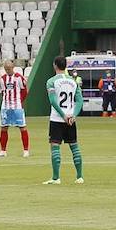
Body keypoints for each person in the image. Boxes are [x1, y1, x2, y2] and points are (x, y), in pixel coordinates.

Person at [43, 56, 84, 185]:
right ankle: (79, 177)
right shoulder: (73, 81)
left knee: (55, 147)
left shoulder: (51, 81)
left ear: (55, 65)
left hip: (57, 118)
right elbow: (79, 100)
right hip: (71, 118)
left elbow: (53, 101)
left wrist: (62, 115)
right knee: (74, 147)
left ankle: (56, 178)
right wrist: (74, 115)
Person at [0, 58, 30, 158]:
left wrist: (19, 101)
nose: (8, 70)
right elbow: (2, 92)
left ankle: (26, 150)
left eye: (9, 68)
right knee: (4, 127)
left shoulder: (19, 78)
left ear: (13, 67)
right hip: (5, 107)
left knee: (22, 127)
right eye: (6, 69)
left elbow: (24, 91)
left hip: (17, 106)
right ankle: (3, 151)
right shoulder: (3, 79)